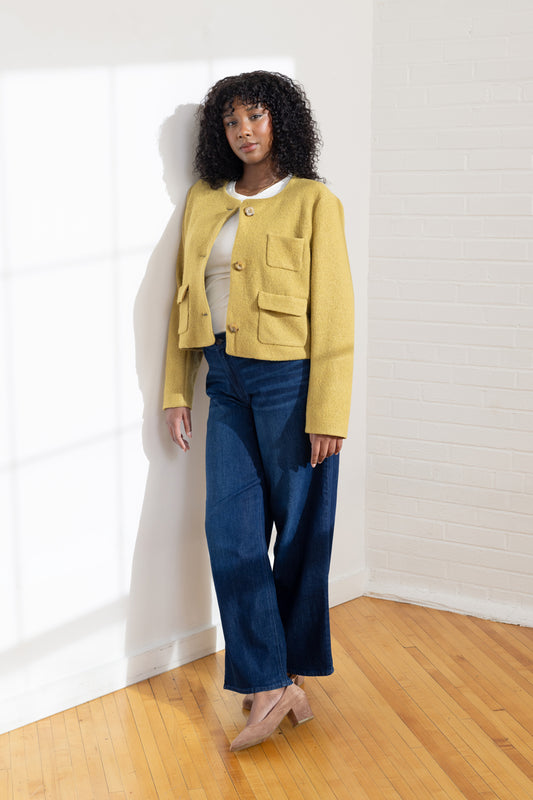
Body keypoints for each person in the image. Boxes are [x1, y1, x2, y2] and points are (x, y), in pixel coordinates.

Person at [163, 71, 354, 751]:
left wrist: (328, 410)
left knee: (300, 534)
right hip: (225, 381)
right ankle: (270, 682)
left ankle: (280, 680)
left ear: (281, 122)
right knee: (231, 534)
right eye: (231, 122)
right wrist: (176, 390)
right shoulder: (204, 199)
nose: (244, 132)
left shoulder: (312, 201)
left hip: (291, 383)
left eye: (256, 117)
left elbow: (334, 311)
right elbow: (183, 300)